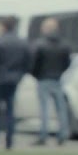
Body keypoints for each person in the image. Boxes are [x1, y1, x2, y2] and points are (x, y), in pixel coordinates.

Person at [0, 16, 31, 150]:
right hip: (13, 79)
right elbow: (28, 61)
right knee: (10, 110)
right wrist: (20, 75)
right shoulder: (22, 43)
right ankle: (9, 140)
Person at [29, 17, 72, 146]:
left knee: (44, 109)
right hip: (57, 79)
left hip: (43, 79)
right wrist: (59, 72)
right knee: (61, 109)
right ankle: (63, 134)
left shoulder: (40, 44)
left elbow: (34, 62)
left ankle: (43, 135)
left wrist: (36, 74)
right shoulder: (64, 45)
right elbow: (67, 63)